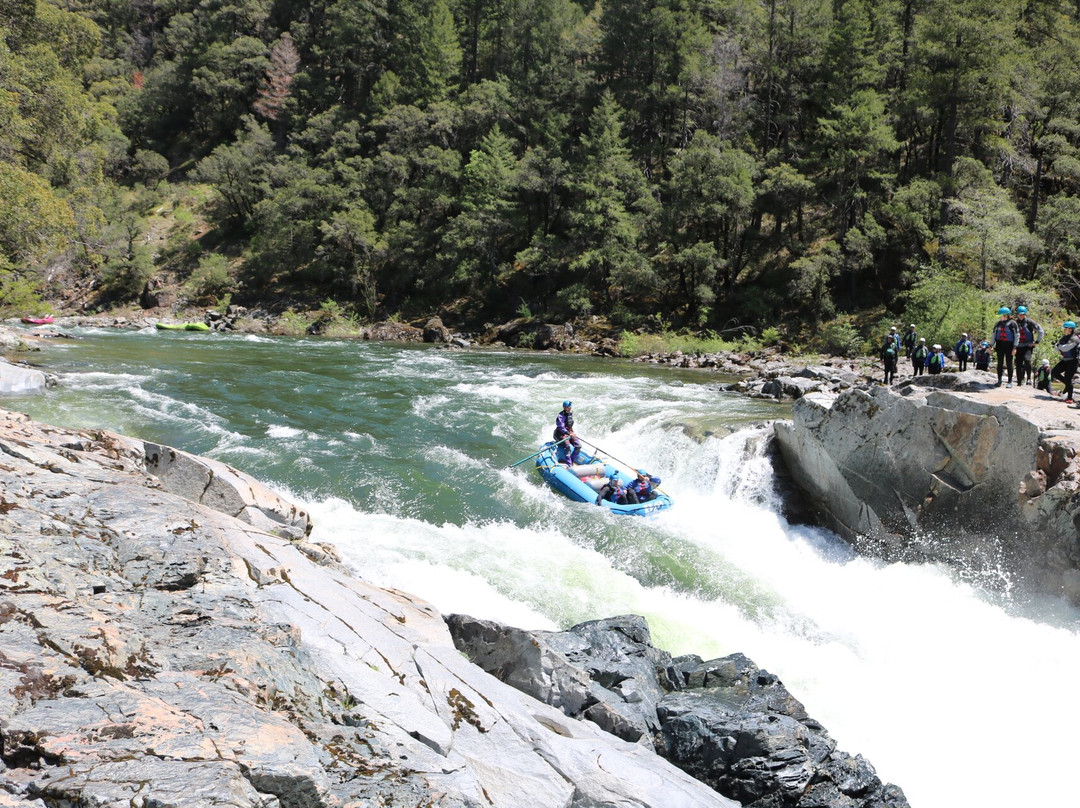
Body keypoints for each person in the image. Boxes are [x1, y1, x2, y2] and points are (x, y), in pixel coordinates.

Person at [1013, 305, 1044, 386]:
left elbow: (1040, 331)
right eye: (1019, 314)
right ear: (1017, 314)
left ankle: (1029, 378)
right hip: (1018, 346)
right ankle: (1019, 381)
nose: (1021, 316)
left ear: (1025, 314)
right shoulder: (1015, 323)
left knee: (1027, 360)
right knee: (1018, 363)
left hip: (1028, 346)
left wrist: (1037, 342)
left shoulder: (1030, 322)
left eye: (1023, 314)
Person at [1052, 321, 1080, 404]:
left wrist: (1059, 346)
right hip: (1065, 360)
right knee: (1054, 372)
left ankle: (1070, 398)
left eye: (1066, 328)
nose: (1064, 330)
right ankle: (1068, 386)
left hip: (1073, 361)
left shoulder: (1075, 339)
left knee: (1068, 378)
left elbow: (1065, 348)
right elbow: (1056, 348)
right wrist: (1059, 347)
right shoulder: (1064, 337)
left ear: (1070, 329)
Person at [992, 306, 1018, 387]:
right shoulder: (998, 324)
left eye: (1001, 315)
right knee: (1000, 363)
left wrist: (1015, 347)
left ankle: (1010, 381)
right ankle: (999, 380)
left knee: (1009, 363)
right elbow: (993, 335)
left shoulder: (1013, 324)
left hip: (1009, 345)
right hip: (999, 344)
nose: (1000, 317)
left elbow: (1017, 336)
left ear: (1006, 315)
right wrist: (991, 345)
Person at [554, 400, 582, 465]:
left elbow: (569, 425)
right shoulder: (560, 416)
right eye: (568, 407)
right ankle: (569, 464)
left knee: (578, 445)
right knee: (568, 446)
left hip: (569, 432)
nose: (570, 408)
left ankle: (571, 460)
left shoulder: (570, 413)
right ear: (564, 407)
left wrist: (572, 433)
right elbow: (561, 427)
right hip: (560, 434)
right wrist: (569, 434)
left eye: (570, 407)